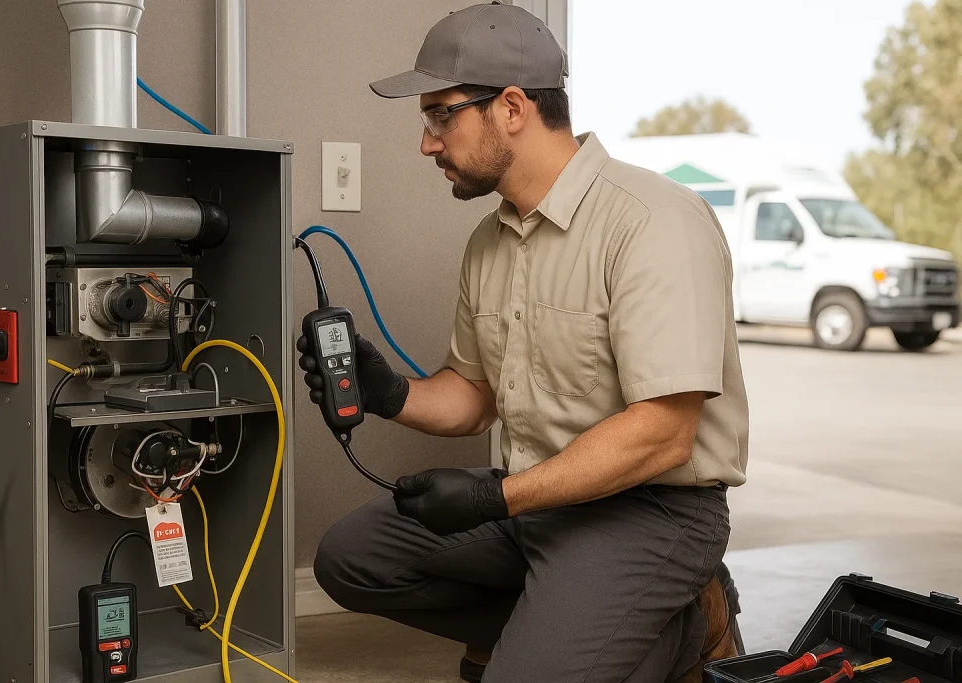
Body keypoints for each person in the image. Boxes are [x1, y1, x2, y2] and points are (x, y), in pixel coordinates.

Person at [297, 3, 750, 681]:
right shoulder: (492, 239)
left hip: (652, 511)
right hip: (538, 499)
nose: (426, 142)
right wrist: (388, 391)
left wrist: (494, 500)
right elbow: (473, 395)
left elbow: (664, 433)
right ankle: (604, 628)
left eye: (440, 115)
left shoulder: (653, 222)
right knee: (350, 556)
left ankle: (682, 621)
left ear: (511, 107)